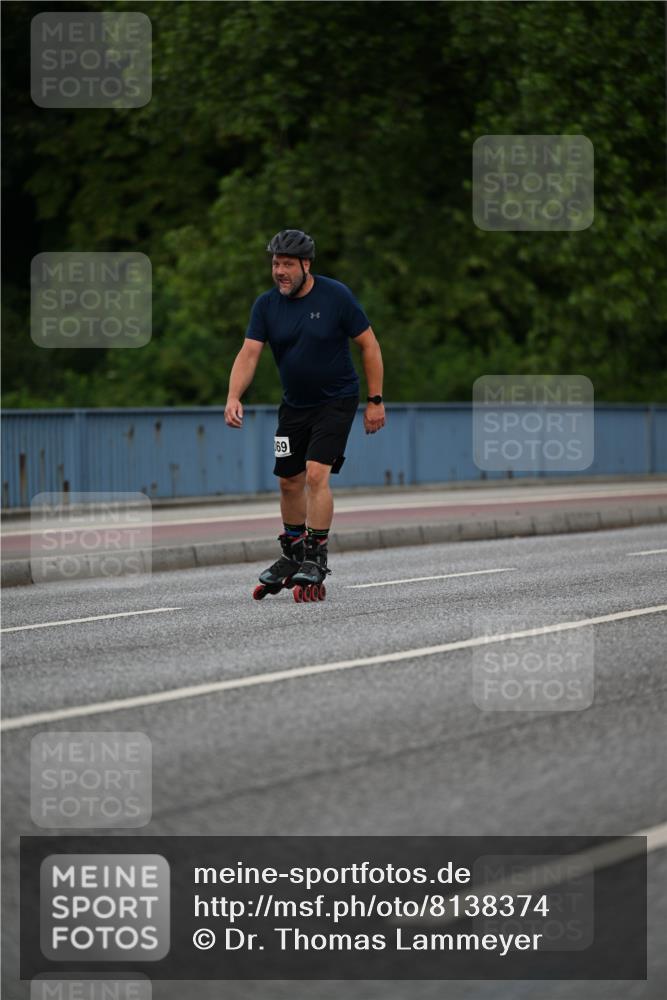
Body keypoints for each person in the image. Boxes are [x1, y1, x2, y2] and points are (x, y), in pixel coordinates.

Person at [224, 229, 385, 601]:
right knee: (287, 480)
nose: (279, 270)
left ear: (306, 265)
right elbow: (249, 354)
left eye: (286, 264)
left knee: (315, 474)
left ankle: (315, 555)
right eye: (275, 263)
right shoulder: (266, 306)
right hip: (294, 405)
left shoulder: (336, 296)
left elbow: (369, 345)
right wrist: (234, 396)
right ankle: (292, 552)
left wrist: (375, 400)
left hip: (336, 400)